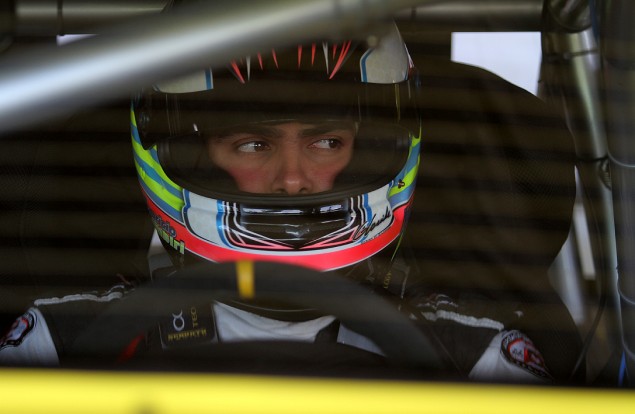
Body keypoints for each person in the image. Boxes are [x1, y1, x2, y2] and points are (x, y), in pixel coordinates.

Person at [0, 22, 580, 382]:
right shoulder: (60, 339)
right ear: (193, 156)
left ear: (369, 151)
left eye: (326, 143)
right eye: (253, 145)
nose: (294, 180)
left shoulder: (473, 353)